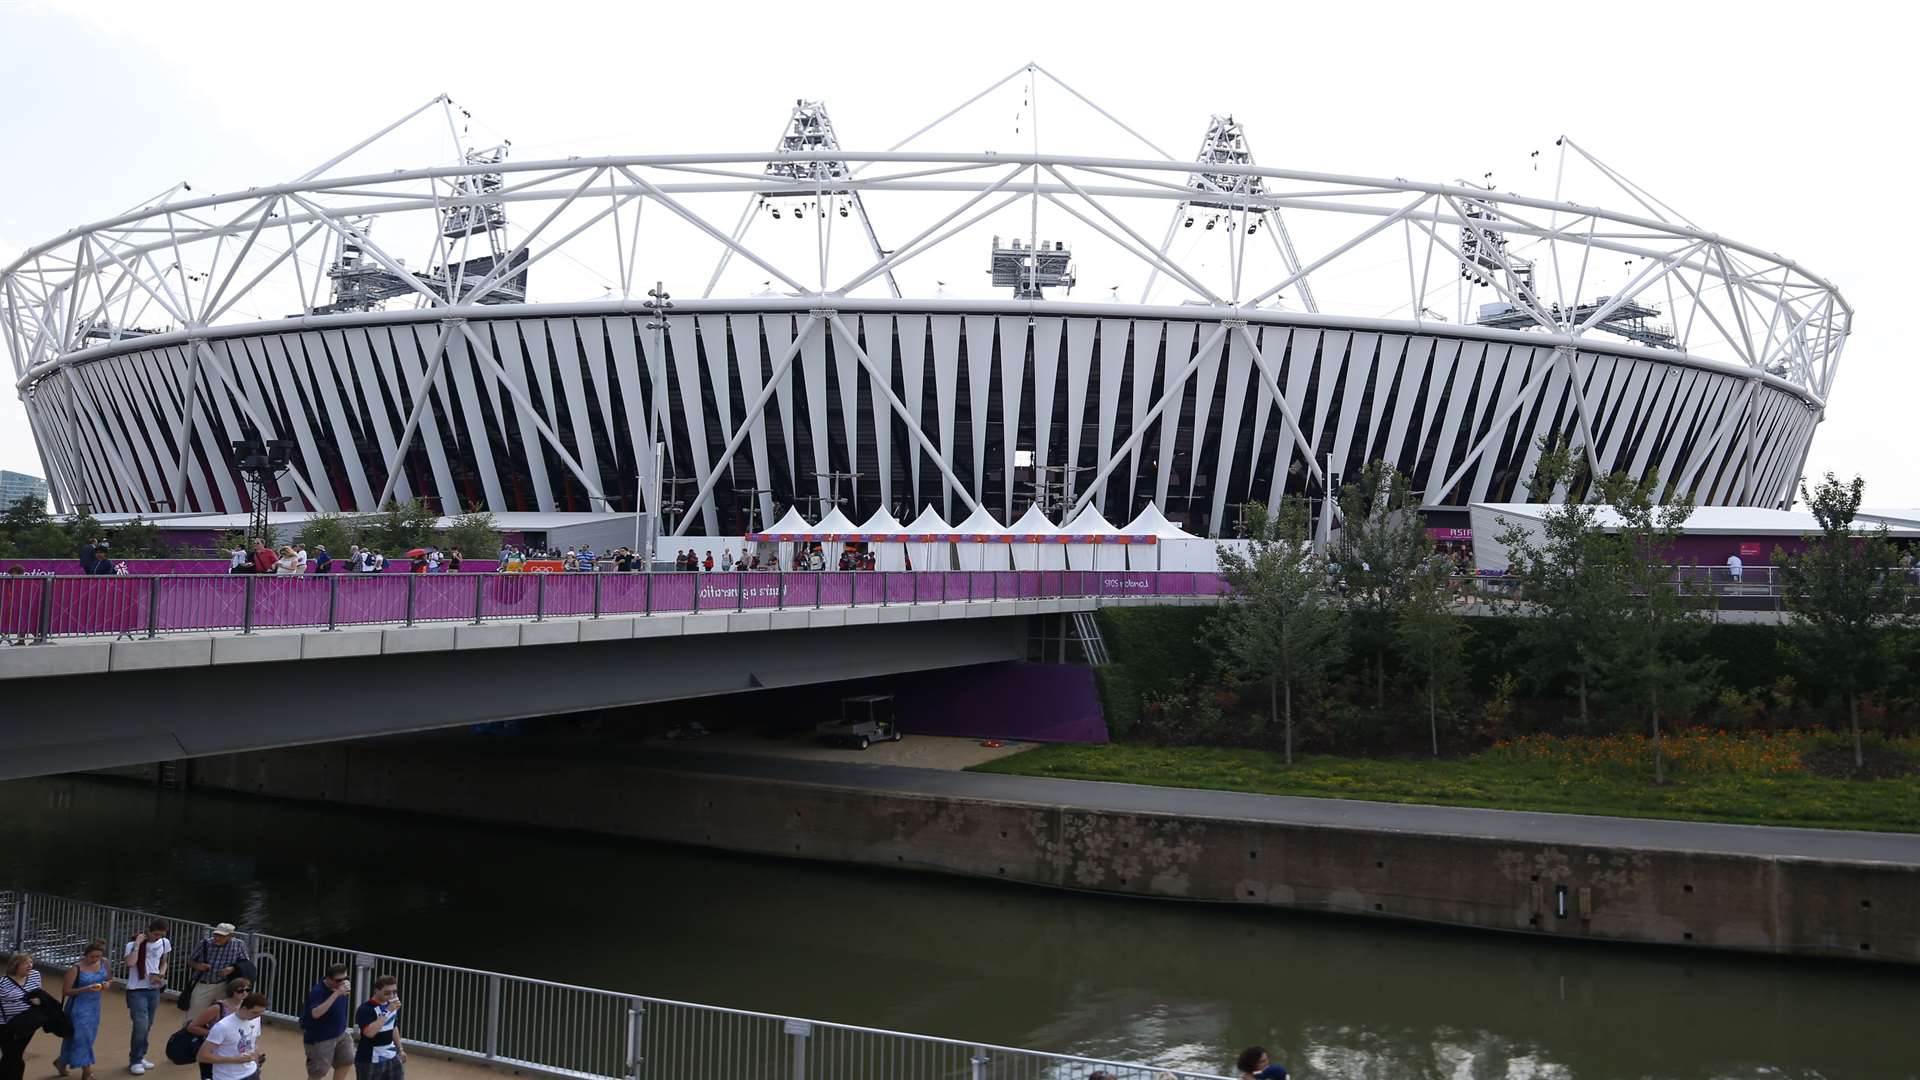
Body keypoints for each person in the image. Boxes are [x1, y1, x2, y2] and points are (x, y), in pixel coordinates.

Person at [54, 939, 109, 1080]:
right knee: (82, 1038)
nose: (95, 959)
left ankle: (62, 1062)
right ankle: (87, 1071)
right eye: (92, 957)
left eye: (98, 956)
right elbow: (66, 991)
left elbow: (109, 978)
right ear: (85, 955)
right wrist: (86, 988)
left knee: (81, 1037)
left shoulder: (105, 963)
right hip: (78, 1007)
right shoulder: (76, 969)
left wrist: (106, 984)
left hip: (95, 1006)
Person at [123, 918, 170, 1075]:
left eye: (161, 934)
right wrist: (137, 944)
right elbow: (130, 963)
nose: (157, 937)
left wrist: (161, 974)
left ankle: (140, 1054)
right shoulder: (132, 945)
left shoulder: (164, 943)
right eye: (155, 934)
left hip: (153, 988)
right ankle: (134, 1060)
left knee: (148, 1025)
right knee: (140, 1025)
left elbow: (164, 962)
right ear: (148, 931)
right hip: (137, 989)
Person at [0, 950, 54, 1080]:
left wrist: (38, 1000)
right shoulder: (2, 983)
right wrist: (26, 998)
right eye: (26, 963)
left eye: (31, 962)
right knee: (12, 1054)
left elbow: (38, 993)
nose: (30, 965)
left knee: (14, 1054)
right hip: (5, 1024)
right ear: (15, 966)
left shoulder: (35, 975)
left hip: (27, 1023)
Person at [186, 978, 252, 1080]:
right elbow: (192, 1027)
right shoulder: (218, 1007)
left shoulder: (246, 1008)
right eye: (240, 991)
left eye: (247, 990)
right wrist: (215, 1034)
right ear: (232, 991)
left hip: (232, 1053)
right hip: (213, 1051)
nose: (244, 993)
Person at [196, 992, 267, 1080]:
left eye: (261, 1013)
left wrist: (256, 1067)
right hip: (227, 1077)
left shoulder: (255, 1019)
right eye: (254, 1013)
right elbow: (202, 1056)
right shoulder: (222, 1027)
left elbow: (253, 1044)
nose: (257, 1016)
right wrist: (235, 1060)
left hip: (252, 1073)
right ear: (244, 1008)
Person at [301, 964, 355, 1080]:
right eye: (339, 980)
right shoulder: (317, 992)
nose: (343, 982)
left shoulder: (341, 987)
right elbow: (315, 1013)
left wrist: (340, 989)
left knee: (347, 1059)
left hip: (341, 1032)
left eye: (346, 978)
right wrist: (336, 994)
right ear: (329, 979)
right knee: (318, 1071)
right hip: (320, 1038)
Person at [184, 924, 249, 1017]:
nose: (217, 938)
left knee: (221, 1015)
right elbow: (190, 961)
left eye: (222, 936)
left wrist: (232, 968)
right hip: (204, 984)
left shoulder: (239, 945)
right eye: (216, 935)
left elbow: (245, 963)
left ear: (231, 935)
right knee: (194, 1014)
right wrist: (198, 966)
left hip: (225, 985)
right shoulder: (204, 943)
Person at [352, 975, 405, 1080]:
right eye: (387, 993)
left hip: (392, 1056)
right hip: (370, 1060)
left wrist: (400, 1049)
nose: (392, 995)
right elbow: (369, 1033)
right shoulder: (365, 1009)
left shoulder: (391, 1005)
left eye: (394, 992)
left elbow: (393, 1027)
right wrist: (387, 1011)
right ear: (376, 991)